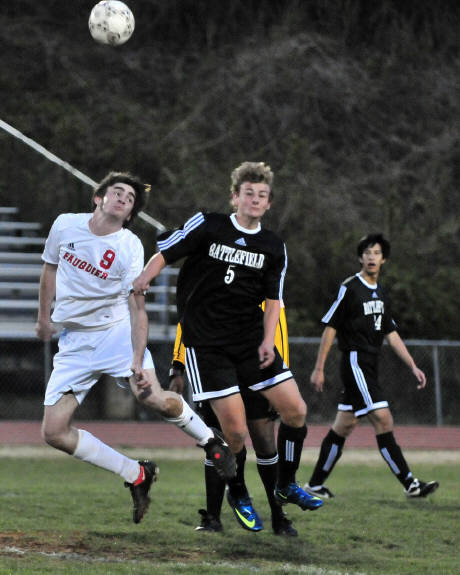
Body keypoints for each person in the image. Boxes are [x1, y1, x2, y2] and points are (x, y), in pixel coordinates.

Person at [35, 171, 235, 525]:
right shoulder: (65, 225)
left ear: (129, 215)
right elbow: (49, 270)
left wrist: (136, 360)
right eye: (117, 192)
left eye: (130, 198)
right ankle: (136, 473)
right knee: (53, 432)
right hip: (75, 341)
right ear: (98, 198)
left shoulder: (128, 246)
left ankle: (211, 440)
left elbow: (137, 308)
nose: (124, 198)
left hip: (116, 333)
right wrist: (42, 317)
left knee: (152, 398)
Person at [134, 161, 323, 522]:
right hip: (207, 345)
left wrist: (267, 341)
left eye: (262, 195)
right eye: (248, 193)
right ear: (235, 197)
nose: (255, 199)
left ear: (269, 203)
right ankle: (238, 492)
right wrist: (145, 276)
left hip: (250, 341)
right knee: (234, 432)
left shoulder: (273, 246)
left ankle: (286, 484)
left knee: (296, 411)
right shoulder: (209, 224)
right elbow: (166, 253)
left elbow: (273, 302)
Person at [304, 233, 439, 499]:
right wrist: (319, 368)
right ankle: (410, 484)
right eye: (367, 252)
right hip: (355, 361)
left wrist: (412, 365)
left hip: (370, 363)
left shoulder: (383, 293)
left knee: (344, 425)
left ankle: (315, 485)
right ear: (360, 257)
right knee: (383, 418)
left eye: (376, 253)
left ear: (383, 259)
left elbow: (391, 333)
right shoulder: (350, 288)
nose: (371, 257)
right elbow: (331, 327)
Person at [170, 300, 297, 536]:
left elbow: (277, 321)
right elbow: (189, 315)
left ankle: (279, 517)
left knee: (265, 443)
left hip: (256, 365)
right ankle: (213, 518)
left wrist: (277, 380)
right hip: (217, 365)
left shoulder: (260, 281)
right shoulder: (207, 282)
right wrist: (178, 364)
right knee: (218, 441)